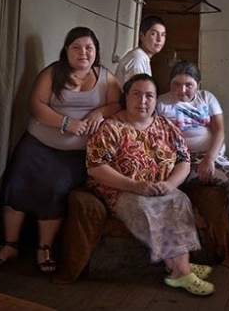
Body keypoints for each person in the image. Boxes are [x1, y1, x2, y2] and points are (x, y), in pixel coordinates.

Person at [0, 26, 122, 275]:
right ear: (66, 50)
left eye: (89, 48)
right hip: (36, 146)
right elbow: (35, 104)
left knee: (54, 191)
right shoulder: (52, 73)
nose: (83, 52)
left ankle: (44, 248)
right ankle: (10, 244)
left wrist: (99, 112)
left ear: (96, 51)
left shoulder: (106, 77)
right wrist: (65, 123)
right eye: (76, 47)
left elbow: (117, 104)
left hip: (74, 156)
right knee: (16, 184)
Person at [86, 74, 215, 296]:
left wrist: (170, 184)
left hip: (161, 188)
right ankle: (182, 270)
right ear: (126, 97)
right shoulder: (111, 128)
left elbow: (184, 159)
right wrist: (134, 185)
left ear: (156, 101)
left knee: (179, 200)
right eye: (136, 94)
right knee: (149, 207)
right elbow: (94, 167)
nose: (143, 101)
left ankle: (177, 267)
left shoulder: (165, 126)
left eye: (149, 96)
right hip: (123, 191)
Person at [156, 60, 229, 255]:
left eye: (188, 85)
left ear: (198, 84)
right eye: (176, 84)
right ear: (169, 83)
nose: (182, 90)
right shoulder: (162, 103)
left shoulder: (206, 98)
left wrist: (210, 158)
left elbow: (219, 131)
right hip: (186, 160)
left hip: (212, 156)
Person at [115, 15, 167, 85]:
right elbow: (137, 92)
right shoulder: (137, 58)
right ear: (142, 36)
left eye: (163, 35)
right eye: (154, 34)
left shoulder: (142, 57)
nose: (159, 39)